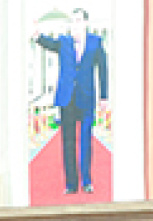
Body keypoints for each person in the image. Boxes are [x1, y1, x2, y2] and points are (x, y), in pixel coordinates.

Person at [33, 8, 108, 195]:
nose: (75, 24)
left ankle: (87, 181)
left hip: (87, 98)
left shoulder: (95, 43)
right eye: (73, 21)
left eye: (78, 20)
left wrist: (104, 96)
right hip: (67, 99)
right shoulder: (63, 42)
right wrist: (37, 36)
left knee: (85, 141)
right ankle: (71, 184)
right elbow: (48, 43)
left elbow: (103, 70)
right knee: (68, 142)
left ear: (85, 23)